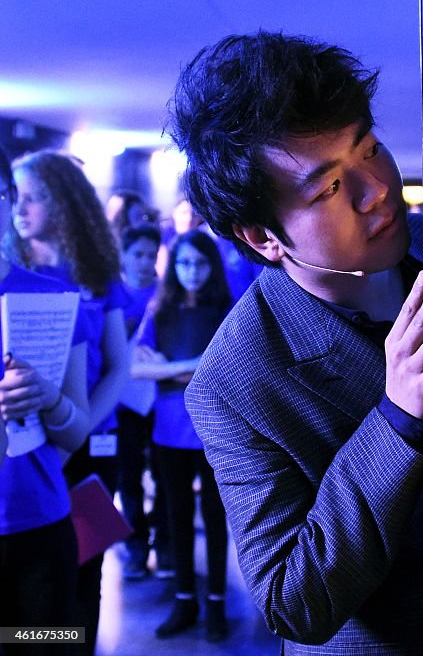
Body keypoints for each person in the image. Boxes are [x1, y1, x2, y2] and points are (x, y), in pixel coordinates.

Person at [167, 31, 423, 654]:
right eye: (330, 190)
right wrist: (396, 420)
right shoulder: (236, 382)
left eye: (370, 149)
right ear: (263, 238)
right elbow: (294, 603)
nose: (379, 192)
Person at [9, 150, 132, 656]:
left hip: (85, 444)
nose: (21, 209)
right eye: (15, 197)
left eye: (33, 197)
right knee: (24, 621)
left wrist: (71, 432)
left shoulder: (97, 276)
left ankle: (78, 647)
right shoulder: (11, 271)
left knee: (84, 569)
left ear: (64, 203)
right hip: (23, 452)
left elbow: (118, 367)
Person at [0, 146, 92, 655]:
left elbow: (76, 432)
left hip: (39, 528)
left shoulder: (51, 300)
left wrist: (49, 398)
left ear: (9, 201)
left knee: (46, 644)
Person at [131, 230, 231, 641]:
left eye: (200, 263)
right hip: (168, 429)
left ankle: (216, 603)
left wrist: (169, 368)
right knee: (176, 518)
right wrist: (191, 366)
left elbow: (224, 369)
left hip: (213, 429)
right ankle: (185, 599)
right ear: (173, 266)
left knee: (215, 516)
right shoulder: (161, 310)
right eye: (184, 263)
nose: (192, 271)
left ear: (213, 266)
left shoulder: (227, 309)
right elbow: (136, 367)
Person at [115, 224, 173, 580]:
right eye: (137, 254)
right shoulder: (111, 293)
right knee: (128, 478)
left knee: (165, 475)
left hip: (158, 397)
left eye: (151, 256)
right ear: (123, 255)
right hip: (121, 404)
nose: (144, 262)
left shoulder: (165, 294)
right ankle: (136, 547)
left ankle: (164, 544)